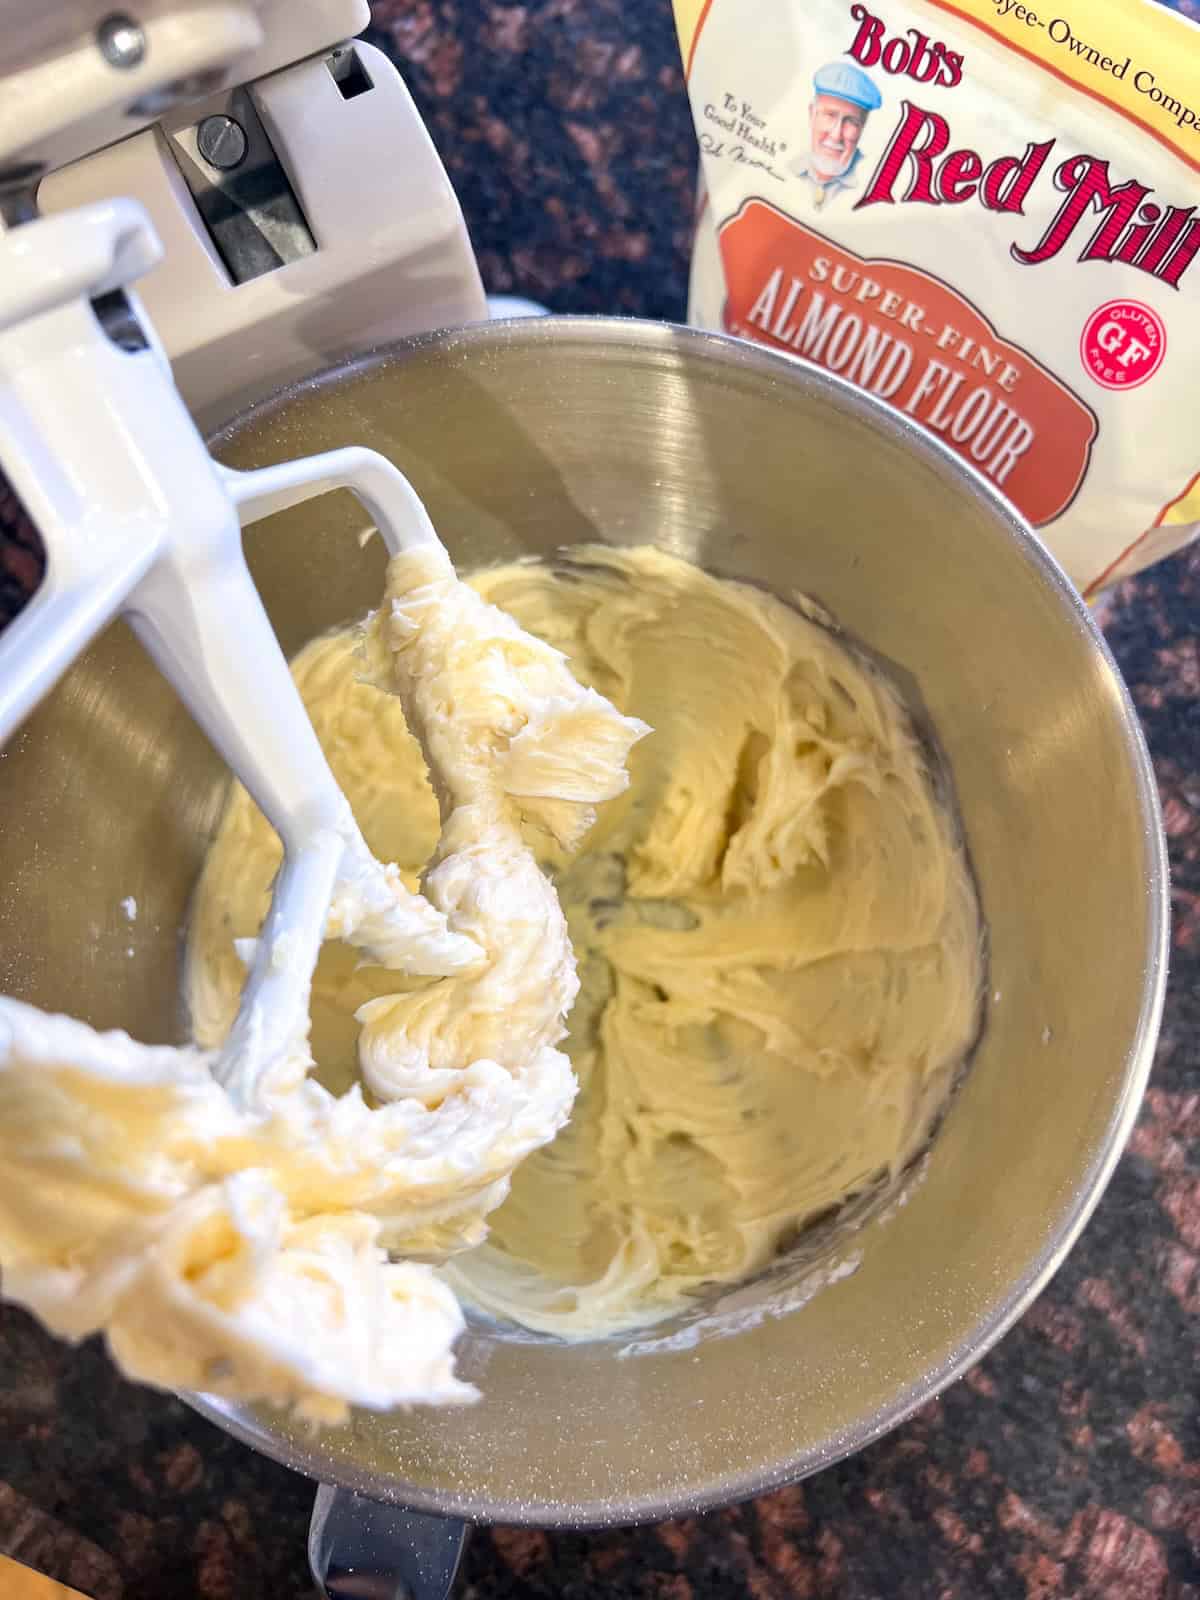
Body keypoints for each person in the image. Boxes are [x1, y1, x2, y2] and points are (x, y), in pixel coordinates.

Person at [790, 60, 883, 208]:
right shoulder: (791, 165)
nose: (835, 135)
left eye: (851, 122)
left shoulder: (870, 184)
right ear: (812, 114)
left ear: (862, 128)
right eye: (830, 115)